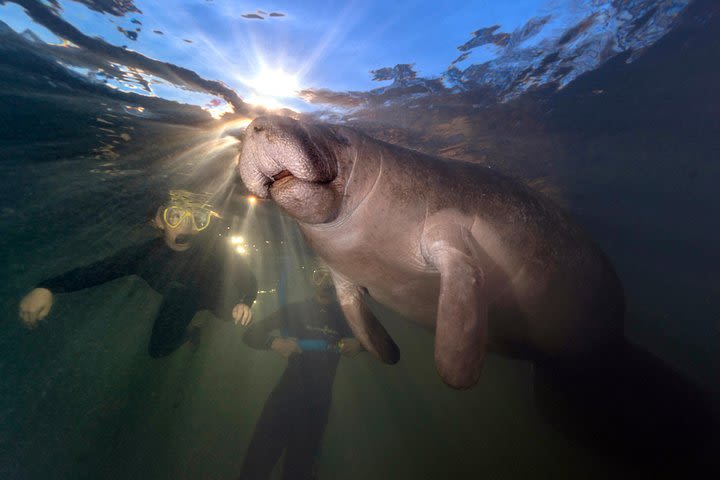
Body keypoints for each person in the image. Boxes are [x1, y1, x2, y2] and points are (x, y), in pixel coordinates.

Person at [18, 190, 258, 357]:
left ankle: (212, 317)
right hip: (179, 301)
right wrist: (48, 287)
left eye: (197, 218)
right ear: (159, 220)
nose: (186, 224)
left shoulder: (218, 250)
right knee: (158, 351)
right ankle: (191, 332)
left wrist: (245, 302)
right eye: (175, 215)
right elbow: (97, 272)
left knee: (232, 316)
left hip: (215, 297)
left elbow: (248, 279)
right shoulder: (143, 255)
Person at [238, 263, 363, 480]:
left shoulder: (348, 317)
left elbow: (388, 350)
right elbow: (249, 335)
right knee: (255, 468)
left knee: (299, 472)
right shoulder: (294, 311)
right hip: (283, 400)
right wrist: (275, 342)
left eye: (332, 275)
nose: (325, 281)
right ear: (311, 279)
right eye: (319, 275)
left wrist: (360, 345)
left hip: (317, 406)